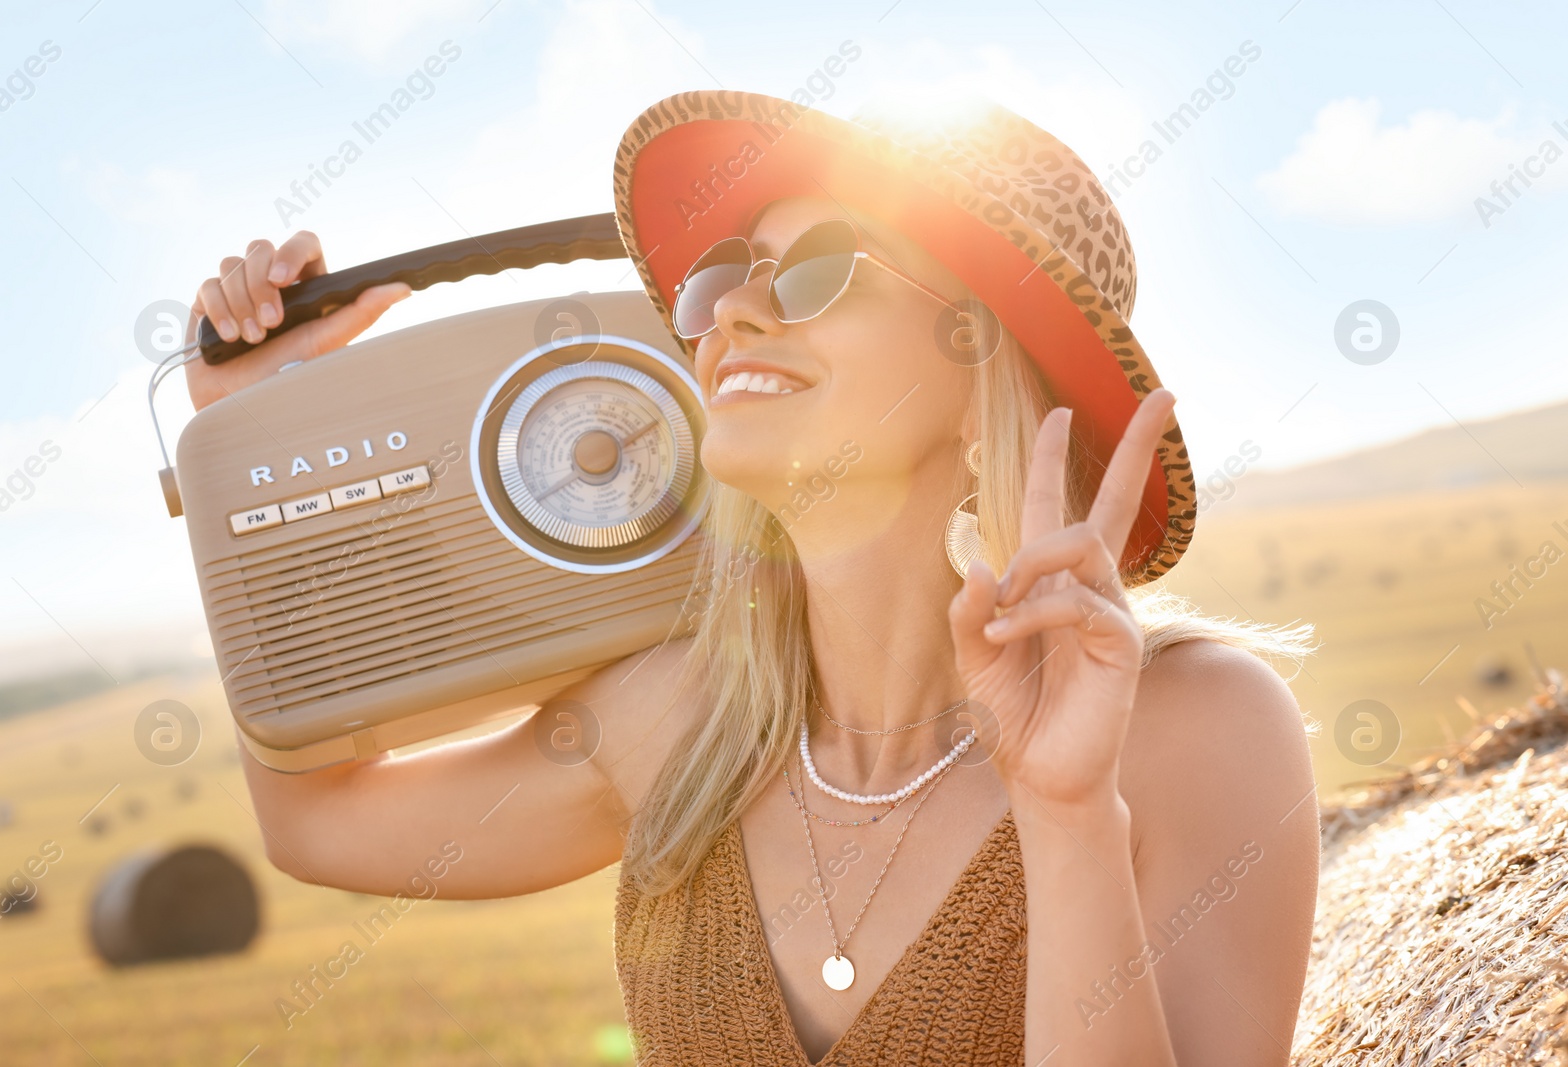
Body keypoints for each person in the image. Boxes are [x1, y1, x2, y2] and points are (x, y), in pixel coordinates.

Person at [184, 90, 1320, 1066]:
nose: (731, 309)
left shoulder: (1196, 724)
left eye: (819, 269)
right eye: (721, 277)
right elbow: (317, 819)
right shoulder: (675, 716)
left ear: (982, 362)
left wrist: (1067, 813)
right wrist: (255, 442)